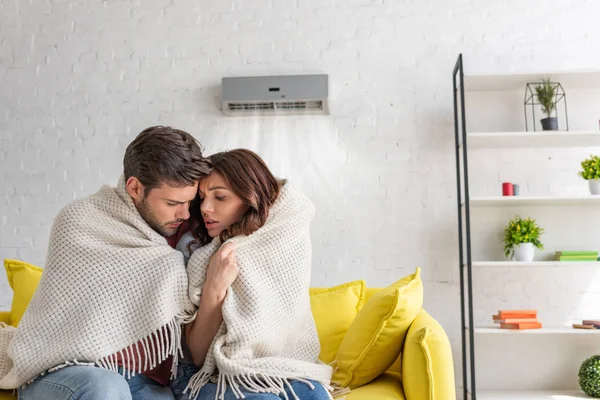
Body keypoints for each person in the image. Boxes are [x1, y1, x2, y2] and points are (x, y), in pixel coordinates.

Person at [0, 126, 236, 400]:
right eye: (173, 202)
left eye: (189, 201)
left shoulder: (191, 228)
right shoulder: (80, 220)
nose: (183, 213)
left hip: (141, 381)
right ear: (135, 187)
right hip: (65, 373)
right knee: (105, 387)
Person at [170, 149, 333, 400]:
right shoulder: (194, 248)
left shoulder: (279, 239)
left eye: (220, 197)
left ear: (250, 197)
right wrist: (215, 287)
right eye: (201, 198)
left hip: (271, 366)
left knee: (315, 394)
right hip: (200, 374)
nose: (205, 208)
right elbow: (197, 355)